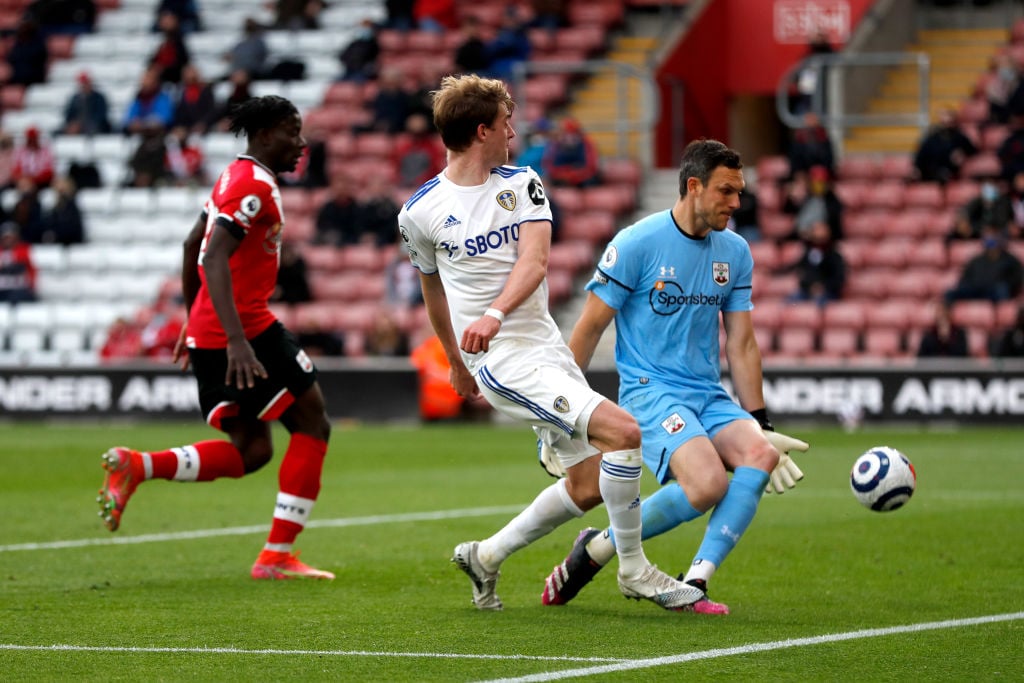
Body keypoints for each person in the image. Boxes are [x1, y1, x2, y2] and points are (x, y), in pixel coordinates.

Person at [398, 73, 706, 612]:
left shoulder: (522, 184)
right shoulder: (418, 212)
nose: (512, 131)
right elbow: (432, 290)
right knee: (624, 431)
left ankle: (486, 556)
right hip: (498, 360)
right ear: (480, 132)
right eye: (504, 123)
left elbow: (535, 262)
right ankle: (634, 570)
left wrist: (495, 313)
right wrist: (455, 360)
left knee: (588, 485)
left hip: (543, 348)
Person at [539, 139, 808, 614]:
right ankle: (608, 551)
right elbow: (587, 330)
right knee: (707, 485)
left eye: (739, 192)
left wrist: (759, 421)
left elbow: (741, 343)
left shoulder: (735, 252)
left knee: (760, 454)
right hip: (650, 391)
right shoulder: (636, 243)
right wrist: (559, 414)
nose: (735, 203)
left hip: (707, 392)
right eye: (726, 191)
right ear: (693, 186)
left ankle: (690, 577)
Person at [97, 95, 336, 581]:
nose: (302, 142)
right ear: (266, 134)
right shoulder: (253, 186)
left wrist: (195, 318)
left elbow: (192, 243)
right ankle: (276, 556)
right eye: (293, 131)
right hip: (245, 330)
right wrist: (235, 341)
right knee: (313, 422)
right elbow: (211, 256)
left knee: (253, 450)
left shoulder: (234, 175)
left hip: (217, 328)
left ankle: (138, 466)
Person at [944, 225, 1023, 304]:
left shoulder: (1011, 261)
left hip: (995, 294)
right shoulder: (976, 260)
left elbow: (1015, 282)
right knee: (951, 294)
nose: (991, 239)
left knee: (1001, 291)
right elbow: (965, 280)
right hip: (977, 291)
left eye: (994, 235)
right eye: (988, 235)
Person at [780, 219, 846, 306]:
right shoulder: (808, 252)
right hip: (807, 291)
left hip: (827, 293)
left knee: (818, 304)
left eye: (821, 229)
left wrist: (823, 287)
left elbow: (839, 278)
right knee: (789, 302)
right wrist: (809, 285)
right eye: (815, 229)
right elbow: (801, 269)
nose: (818, 233)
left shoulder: (834, 256)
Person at [912, 107, 978, 185]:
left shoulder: (960, 137)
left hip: (951, 173)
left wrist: (963, 153)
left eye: (950, 121)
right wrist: (917, 168)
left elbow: (973, 150)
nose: (947, 124)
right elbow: (920, 155)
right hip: (930, 172)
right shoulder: (932, 138)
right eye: (944, 122)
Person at [542, 118, 601, 188]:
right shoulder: (554, 145)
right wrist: (565, 175)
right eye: (566, 134)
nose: (569, 137)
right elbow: (549, 167)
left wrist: (575, 175)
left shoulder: (586, 144)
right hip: (561, 181)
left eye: (572, 133)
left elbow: (591, 167)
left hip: (583, 181)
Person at [946, 179, 1011, 242]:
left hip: (996, 235)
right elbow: (965, 215)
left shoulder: (1002, 204)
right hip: (977, 235)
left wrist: (992, 229)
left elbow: (1002, 222)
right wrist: (976, 229)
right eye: (986, 189)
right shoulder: (975, 203)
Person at [123, 67, 176, 136]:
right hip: (140, 135)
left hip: (158, 136)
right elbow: (129, 119)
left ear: (156, 82)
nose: (145, 82)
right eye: (144, 79)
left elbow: (165, 120)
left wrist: (145, 124)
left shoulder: (163, 99)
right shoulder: (138, 99)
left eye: (149, 79)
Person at [61, 71, 112, 136]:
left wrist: (82, 125)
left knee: (92, 129)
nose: (84, 85)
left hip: (94, 126)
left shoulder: (99, 97)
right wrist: (73, 123)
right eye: (82, 83)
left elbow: (101, 116)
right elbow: (68, 115)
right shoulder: (75, 98)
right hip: (77, 126)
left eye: (85, 83)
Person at [0, 222, 37, 303]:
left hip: (19, 289)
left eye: (11, 237)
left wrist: (6, 260)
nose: (8, 240)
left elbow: (30, 267)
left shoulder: (24, 249)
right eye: (6, 237)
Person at [338, 18, 380, 83]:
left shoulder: (375, 44)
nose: (364, 29)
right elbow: (343, 56)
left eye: (367, 27)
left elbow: (374, 59)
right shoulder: (354, 43)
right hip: (349, 70)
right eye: (363, 27)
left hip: (363, 72)